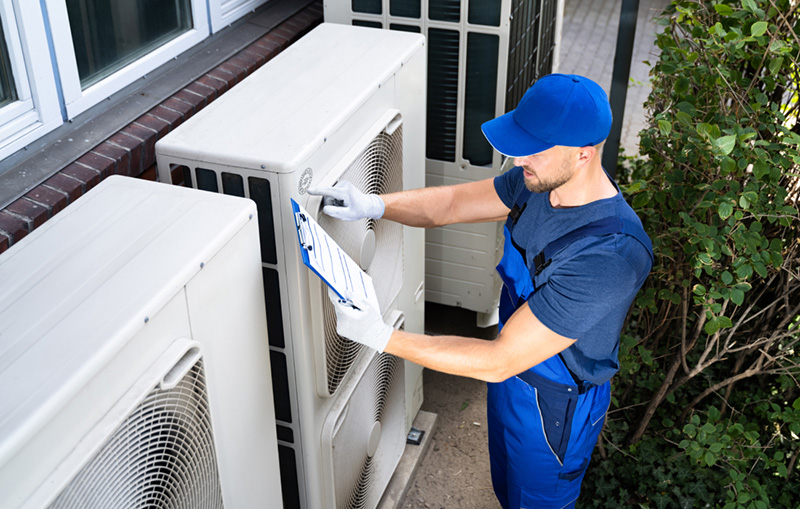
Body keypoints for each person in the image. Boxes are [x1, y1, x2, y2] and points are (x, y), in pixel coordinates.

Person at [308, 73, 653, 509]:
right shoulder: (536, 185)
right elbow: (451, 204)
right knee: (506, 489)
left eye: (534, 148)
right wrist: (376, 204)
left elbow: (497, 360)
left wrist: (382, 337)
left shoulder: (610, 254)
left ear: (583, 154)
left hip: (555, 406)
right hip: (511, 378)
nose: (519, 158)